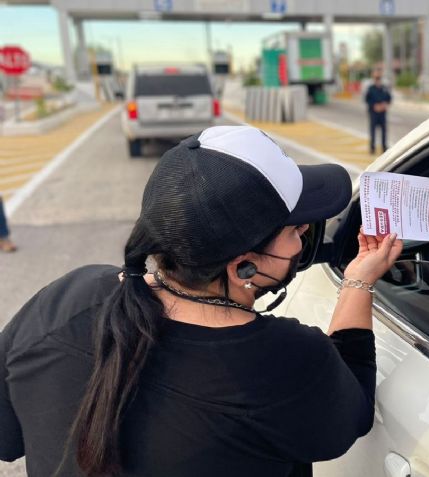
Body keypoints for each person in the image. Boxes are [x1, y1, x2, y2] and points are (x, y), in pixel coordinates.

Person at [0, 125, 403, 477]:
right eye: (296, 231)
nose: (303, 240)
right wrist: (359, 281)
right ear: (242, 266)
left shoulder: (64, 298)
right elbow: (353, 410)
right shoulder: (283, 361)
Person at [364, 70, 392, 155]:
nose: (378, 80)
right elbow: (367, 100)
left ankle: (384, 148)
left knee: (384, 131)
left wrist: (386, 104)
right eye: (376, 78)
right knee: (373, 131)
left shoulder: (384, 88)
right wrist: (374, 106)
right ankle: (372, 148)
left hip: (382, 113)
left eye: (379, 78)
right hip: (374, 113)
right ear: (374, 79)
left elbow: (389, 98)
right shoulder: (370, 88)